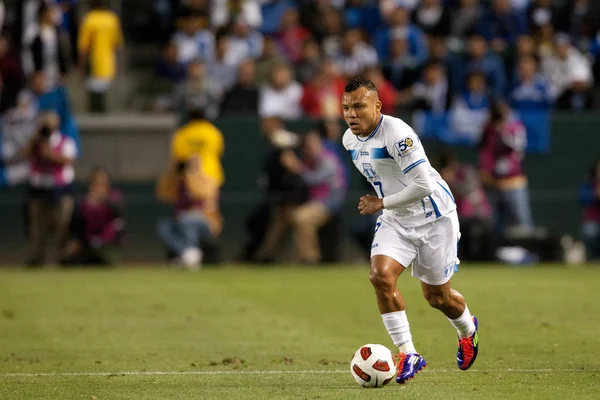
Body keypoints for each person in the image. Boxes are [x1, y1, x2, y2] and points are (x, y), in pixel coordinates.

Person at [341, 77, 479, 384]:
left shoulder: (398, 133)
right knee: (380, 277)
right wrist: (387, 206)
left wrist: (382, 202)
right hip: (395, 218)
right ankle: (408, 353)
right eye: (346, 107)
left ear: (377, 106)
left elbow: (423, 185)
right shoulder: (349, 141)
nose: (351, 114)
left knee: (437, 297)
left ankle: (468, 331)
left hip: (433, 217)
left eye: (359, 106)